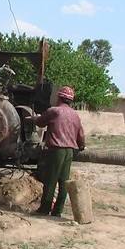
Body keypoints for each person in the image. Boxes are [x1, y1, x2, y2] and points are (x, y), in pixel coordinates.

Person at [28, 86, 85, 217]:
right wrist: (81, 146)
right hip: (69, 151)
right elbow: (81, 134)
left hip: (56, 151)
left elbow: (41, 122)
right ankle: (57, 211)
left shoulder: (54, 111)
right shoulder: (75, 115)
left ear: (59, 97)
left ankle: (44, 209)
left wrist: (32, 119)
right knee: (64, 182)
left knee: (50, 181)